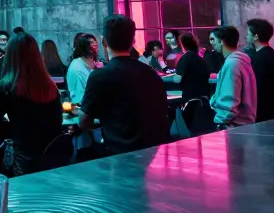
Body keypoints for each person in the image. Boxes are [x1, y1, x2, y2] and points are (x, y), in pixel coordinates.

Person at [76, 15, 169, 156]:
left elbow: (83, 122)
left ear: (104, 42)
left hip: (118, 154)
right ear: (132, 42)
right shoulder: (150, 72)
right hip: (153, 151)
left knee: (83, 153)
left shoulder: (100, 76)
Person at [0, 34, 62, 175]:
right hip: (52, 157)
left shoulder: (8, 86)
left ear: (11, 55)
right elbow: (58, 120)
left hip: (23, 159)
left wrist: (11, 131)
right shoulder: (50, 84)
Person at [209, 26, 257, 127]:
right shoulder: (242, 61)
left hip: (233, 126)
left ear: (221, 41)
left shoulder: (232, 64)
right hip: (245, 124)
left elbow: (229, 100)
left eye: (213, 39)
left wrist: (220, 121)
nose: (211, 43)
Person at [163, 33, 210, 102]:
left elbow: (177, 79)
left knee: (167, 97)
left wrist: (164, 78)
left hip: (190, 97)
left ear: (182, 44)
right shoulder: (200, 59)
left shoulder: (185, 58)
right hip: (203, 96)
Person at [65, 33, 100, 103]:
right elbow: (79, 97)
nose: (95, 44)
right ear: (84, 47)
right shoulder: (77, 67)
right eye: (91, 43)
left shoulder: (95, 62)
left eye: (95, 42)